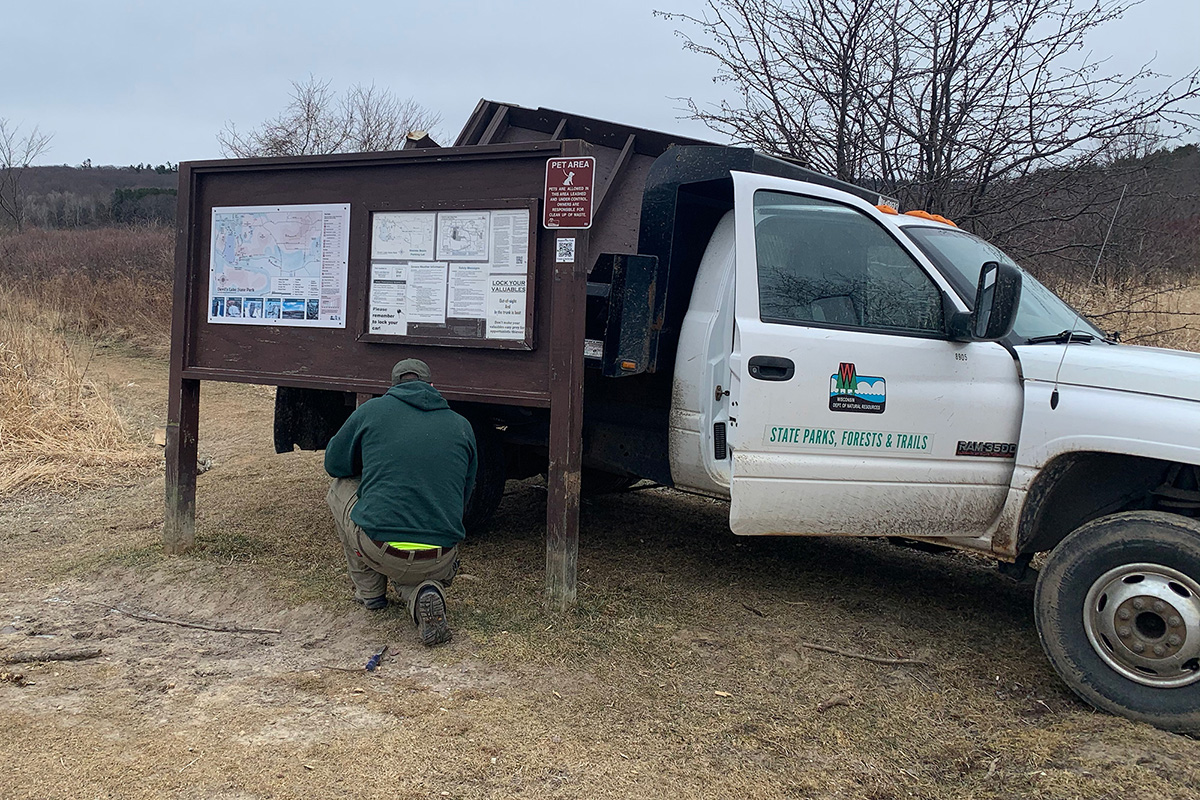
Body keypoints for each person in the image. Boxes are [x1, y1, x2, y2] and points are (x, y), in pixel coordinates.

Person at [324, 358, 477, 646]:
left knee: (339, 489)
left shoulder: (371, 411)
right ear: (432, 387)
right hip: (440, 556)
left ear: (393, 388)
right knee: (415, 577)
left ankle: (370, 593)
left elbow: (334, 464)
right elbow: (464, 495)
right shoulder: (462, 426)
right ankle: (424, 594)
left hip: (379, 549)